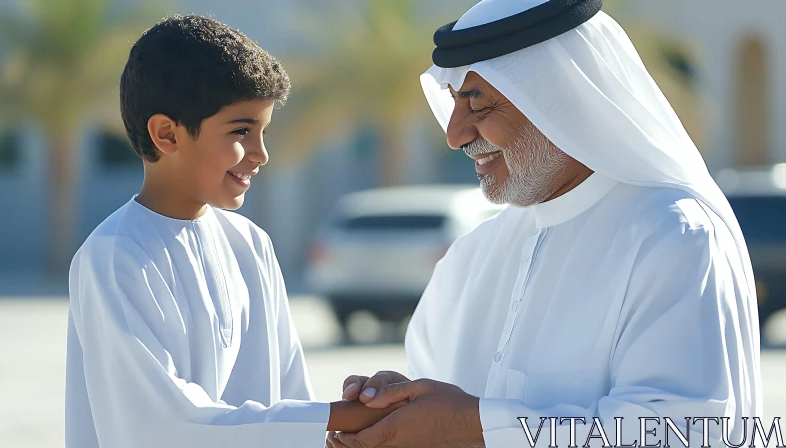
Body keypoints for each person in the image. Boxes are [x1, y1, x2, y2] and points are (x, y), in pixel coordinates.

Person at [328, 1, 763, 447]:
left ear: (561, 99)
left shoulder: (676, 237)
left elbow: (685, 433)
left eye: (477, 104)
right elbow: (438, 408)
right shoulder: (471, 255)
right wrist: (395, 416)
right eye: (455, 102)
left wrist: (473, 427)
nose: (455, 135)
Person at [64, 15, 400, 448]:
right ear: (166, 134)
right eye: (242, 131)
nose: (260, 154)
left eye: (264, 132)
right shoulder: (115, 256)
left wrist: (348, 428)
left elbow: (289, 392)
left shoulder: (250, 245)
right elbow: (162, 425)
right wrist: (344, 416)